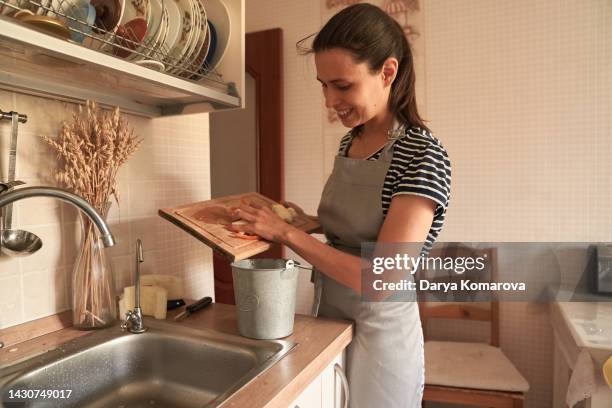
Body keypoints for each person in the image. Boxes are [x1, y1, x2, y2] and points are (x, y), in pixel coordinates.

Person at [230, 3, 451, 407]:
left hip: (382, 333)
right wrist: (310, 222)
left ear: (387, 72)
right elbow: (358, 229)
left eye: (343, 85)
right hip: (330, 316)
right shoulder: (352, 142)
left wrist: (286, 233)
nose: (330, 101)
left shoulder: (422, 154)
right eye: (323, 85)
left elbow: (382, 279)